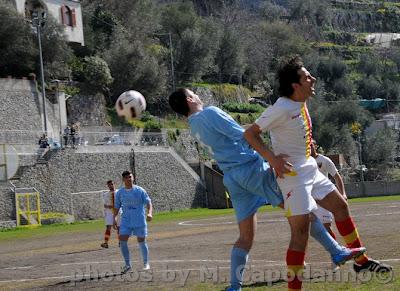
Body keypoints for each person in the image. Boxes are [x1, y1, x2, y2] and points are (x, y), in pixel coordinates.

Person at [169, 88, 365, 291]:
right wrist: (271, 142)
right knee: (302, 212)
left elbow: (233, 135)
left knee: (245, 237)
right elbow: (244, 135)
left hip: (233, 178)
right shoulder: (209, 113)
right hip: (252, 171)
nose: (199, 96)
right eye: (194, 93)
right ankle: (336, 251)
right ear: (190, 99)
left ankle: (235, 286)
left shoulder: (193, 126)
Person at [243, 56, 392, 290]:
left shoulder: (300, 103)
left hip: (310, 168)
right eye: (307, 76)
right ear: (296, 84)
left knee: (341, 206)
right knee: (300, 234)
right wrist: (272, 159)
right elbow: (250, 134)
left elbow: (295, 131)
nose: (313, 79)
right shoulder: (281, 107)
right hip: (293, 177)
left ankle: (361, 262)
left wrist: (308, 144)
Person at [114, 170, 153, 273]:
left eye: (130, 177)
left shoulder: (140, 190)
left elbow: (148, 202)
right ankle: (127, 265)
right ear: (123, 180)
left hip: (139, 220)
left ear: (133, 178)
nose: (129, 179)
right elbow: (117, 206)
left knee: (141, 241)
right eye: (126, 177)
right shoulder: (120, 193)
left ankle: (146, 263)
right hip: (126, 221)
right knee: (122, 240)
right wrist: (114, 218)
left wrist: (149, 213)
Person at [311, 139, 346, 240]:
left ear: (316, 146)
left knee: (326, 226)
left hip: (324, 196)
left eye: (311, 145)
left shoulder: (324, 160)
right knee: (311, 229)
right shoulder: (305, 162)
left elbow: (337, 176)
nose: (309, 147)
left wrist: (343, 194)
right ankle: (337, 251)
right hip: (311, 198)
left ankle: (338, 251)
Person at [101, 180, 119, 249]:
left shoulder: (118, 192)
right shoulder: (105, 194)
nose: (111, 186)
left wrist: (116, 206)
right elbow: (104, 204)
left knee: (119, 227)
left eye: (112, 184)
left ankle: (120, 242)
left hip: (118, 211)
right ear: (107, 186)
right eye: (109, 185)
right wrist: (108, 206)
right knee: (108, 227)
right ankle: (106, 243)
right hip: (109, 212)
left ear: (114, 184)